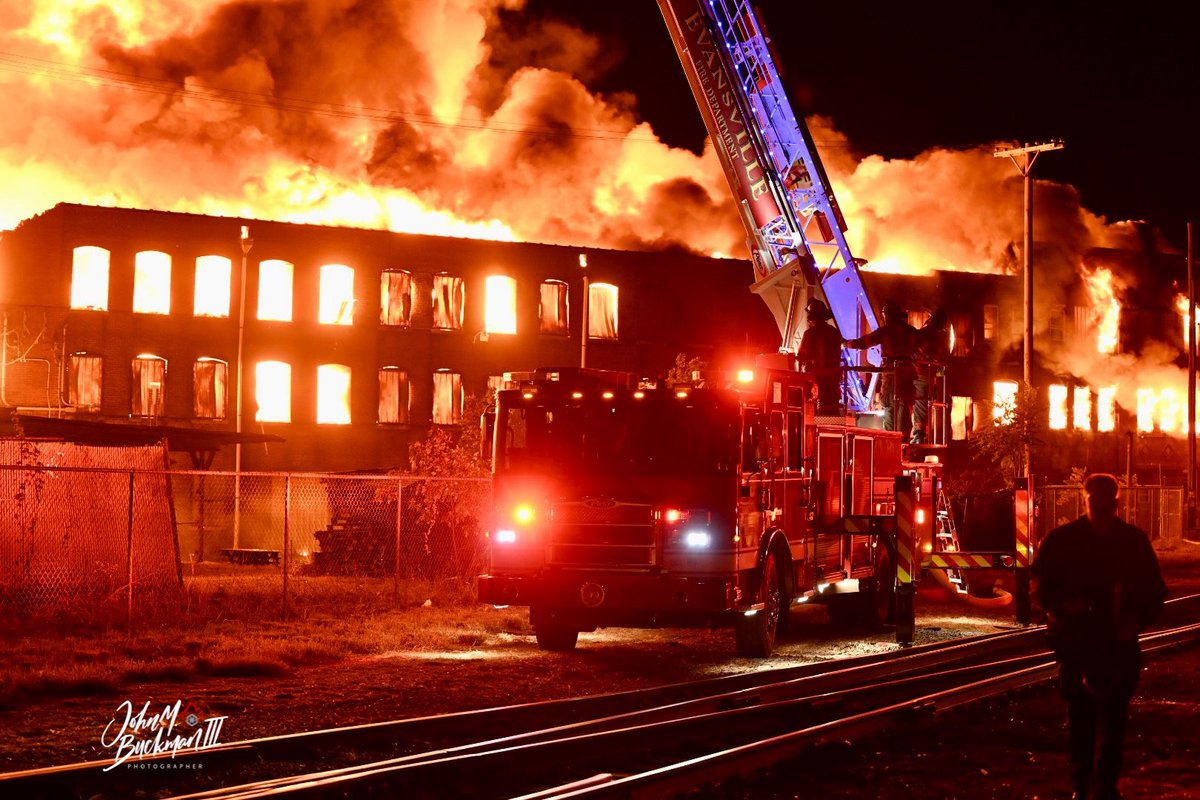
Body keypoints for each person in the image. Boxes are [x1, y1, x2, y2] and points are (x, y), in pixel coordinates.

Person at [1032, 473, 1167, 800]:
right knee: (1086, 719)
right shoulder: (1069, 541)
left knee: (1108, 719)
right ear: (1087, 500)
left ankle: (1101, 785)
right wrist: (1063, 609)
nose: (1102, 506)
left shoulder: (1125, 542)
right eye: (1097, 500)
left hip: (1112, 643)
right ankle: (1088, 785)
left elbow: (1153, 593)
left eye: (1107, 501)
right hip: (1079, 643)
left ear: (1115, 503)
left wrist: (1134, 619)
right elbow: (1041, 588)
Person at [843, 299, 918, 435]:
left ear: (887, 315)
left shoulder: (886, 331)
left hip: (892, 372)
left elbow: (865, 342)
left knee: (889, 404)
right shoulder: (911, 331)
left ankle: (891, 436)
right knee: (905, 403)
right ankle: (905, 436)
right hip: (909, 370)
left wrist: (847, 344)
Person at [797, 297, 843, 413]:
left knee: (814, 410)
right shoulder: (834, 332)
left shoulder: (809, 334)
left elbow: (801, 356)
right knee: (832, 410)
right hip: (833, 380)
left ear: (811, 317)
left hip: (815, 380)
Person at [910, 308, 950, 444]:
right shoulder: (944, 337)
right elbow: (944, 358)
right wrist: (938, 376)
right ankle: (934, 435)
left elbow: (912, 350)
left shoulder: (924, 334)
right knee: (934, 404)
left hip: (921, 374)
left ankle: (919, 436)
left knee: (920, 404)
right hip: (936, 376)